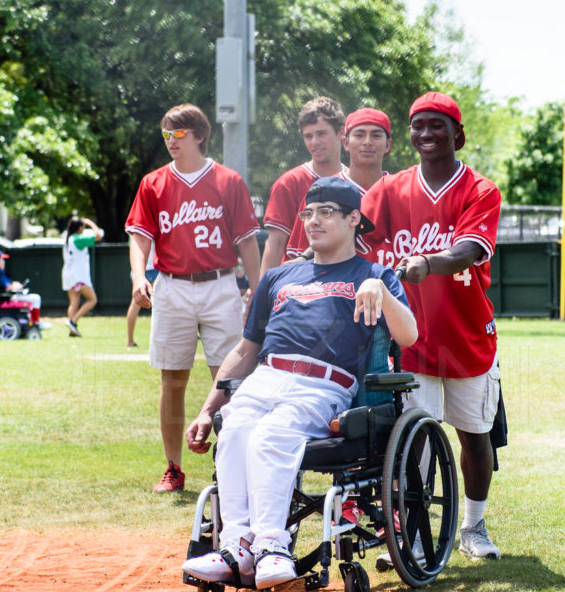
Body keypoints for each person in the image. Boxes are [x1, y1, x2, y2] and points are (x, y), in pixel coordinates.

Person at [182, 177, 418, 589]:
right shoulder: (278, 279)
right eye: (308, 212)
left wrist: (380, 289)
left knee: (272, 435)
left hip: (323, 385)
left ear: (352, 219)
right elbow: (244, 351)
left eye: (326, 212)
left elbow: (410, 335)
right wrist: (207, 410)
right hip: (267, 375)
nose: (313, 220)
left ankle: (272, 546)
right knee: (235, 428)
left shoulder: (374, 274)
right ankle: (236, 545)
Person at [359, 92, 504, 560]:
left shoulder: (480, 190)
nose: (426, 133)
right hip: (412, 339)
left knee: (474, 435)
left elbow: (468, 250)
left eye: (437, 125)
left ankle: (473, 527)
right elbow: (355, 232)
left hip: (466, 334)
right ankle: (416, 537)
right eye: (418, 125)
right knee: (412, 441)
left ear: (457, 134)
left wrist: (428, 261)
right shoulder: (389, 190)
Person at [125, 103, 262, 493]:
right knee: (172, 379)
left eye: (179, 134)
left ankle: (232, 466)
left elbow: (246, 242)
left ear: (199, 136)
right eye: (166, 134)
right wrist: (139, 277)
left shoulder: (227, 180)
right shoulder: (153, 183)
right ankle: (173, 467)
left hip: (220, 284)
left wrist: (260, 290)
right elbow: (140, 239)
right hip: (171, 284)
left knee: (231, 378)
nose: (171, 141)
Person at [284, 107, 393, 262]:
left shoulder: (401, 191)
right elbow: (299, 260)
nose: (367, 142)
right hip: (336, 285)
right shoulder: (322, 191)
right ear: (345, 143)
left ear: (388, 144)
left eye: (376, 135)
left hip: (395, 284)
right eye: (359, 135)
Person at [259, 97, 346, 273]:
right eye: (308, 136)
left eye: (321, 133)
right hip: (298, 281)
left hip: (345, 278)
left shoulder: (352, 183)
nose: (314, 142)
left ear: (341, 133)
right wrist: (263, 293)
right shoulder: (289, 183)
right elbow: (275, 244)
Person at [62, 215, 105, 337]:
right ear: (79, 227)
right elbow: (99, 235)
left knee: (73, 303)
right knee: (92, 299)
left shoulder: (68, 238)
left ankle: (72, 330)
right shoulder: (78, 239)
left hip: (68, 275)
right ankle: (73, 321)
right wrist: (91, 223)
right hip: (79, 276)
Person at [0, 248, 44, 327]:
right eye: (2, 259)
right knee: (36, 298)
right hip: (6, 299)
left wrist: (15, 284)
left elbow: (8, 284)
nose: (4, 262)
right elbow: (7, 287)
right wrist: (16, 286)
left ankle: (32, 320)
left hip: (6, 298)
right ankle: (35, 322)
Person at [125, 246, 157, 348]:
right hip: (154, 268)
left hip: (140, 270)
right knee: (162, 304)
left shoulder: (132, 231)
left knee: (135, 304)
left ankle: (130, 340)